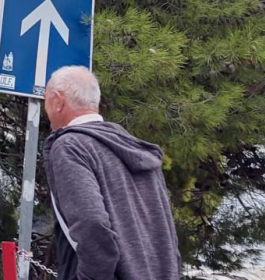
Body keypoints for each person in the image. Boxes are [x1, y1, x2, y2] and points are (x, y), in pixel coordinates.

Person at [43, 66, 180, 280]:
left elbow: (91, 223)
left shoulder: (71, 145)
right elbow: (165, 228)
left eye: (46, 99)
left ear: (58, 101)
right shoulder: (134, 147)